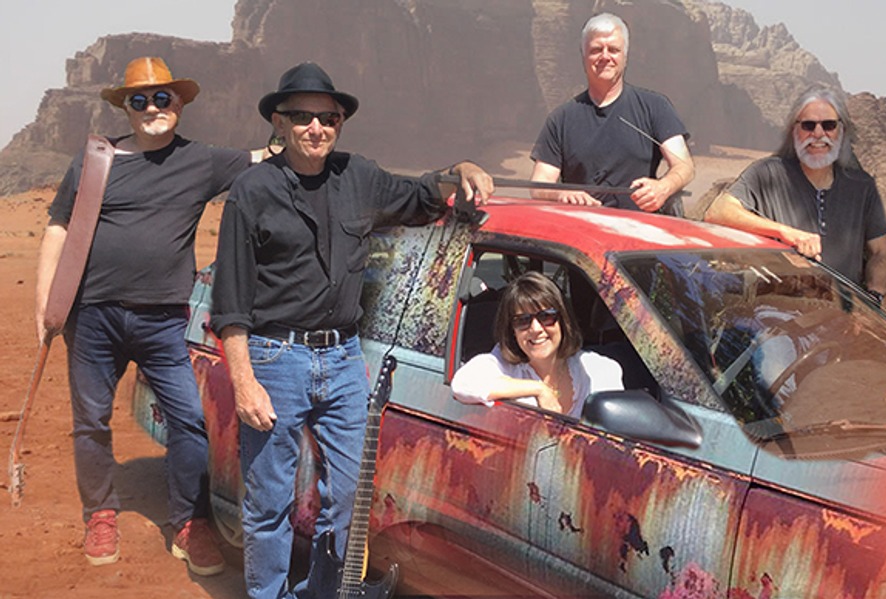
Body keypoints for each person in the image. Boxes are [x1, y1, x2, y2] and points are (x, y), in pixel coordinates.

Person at [209, 61, 494, 599]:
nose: (316, 127)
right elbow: (231, 302)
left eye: (329, 118)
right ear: (279, 122)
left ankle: (325, 593)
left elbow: (421, 196)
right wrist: (244, 382)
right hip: (275, 358)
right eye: (302, 117)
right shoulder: (252, 191)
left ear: (340, 124)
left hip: (342, 360)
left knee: (347, 497)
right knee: (270, 502)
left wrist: (461, 168)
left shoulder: (358, 177)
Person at [35, 56, 261, 574]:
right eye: (140, 99)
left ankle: (189, 522)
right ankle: (100, 514)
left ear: (179, 104)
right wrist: (44, 302)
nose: (152, 107)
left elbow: (266, 157)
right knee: (90, 422)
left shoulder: (202, 161)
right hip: (92, 317)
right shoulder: (95, 160)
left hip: (162, 322)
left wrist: (302, 125)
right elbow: (58, 226)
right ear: (126, 108)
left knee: (189, 422)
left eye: (163, 98)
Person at [704, 86, 886, 301]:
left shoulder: (861, 186)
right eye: (808, 125)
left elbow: (880, 253)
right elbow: (717, 211)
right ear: (795, 131)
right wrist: (785, 233)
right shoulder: (767, 173)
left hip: (843, 314)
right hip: (780, 311)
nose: (818, 134)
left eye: (829, 125)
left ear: (841, 131)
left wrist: (874, 295)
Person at [530, 12, 695, 215]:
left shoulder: (655, 107)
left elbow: (685, 166)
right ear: (583, 56)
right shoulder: (560, 119)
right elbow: (539, 184)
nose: (605, 57)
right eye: (596, 50)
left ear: (625, 56)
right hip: (580, 227)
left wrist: (663, 187)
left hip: (639, 228)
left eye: (614, 50)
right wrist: (561, 194)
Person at [452, 272, 624, 417]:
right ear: (512, 330)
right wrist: (538, 389)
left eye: (546, 316)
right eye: (523, 320)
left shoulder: (594, 369)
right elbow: (462, 384)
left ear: (563, 320)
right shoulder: (504, 365)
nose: (536, 329)